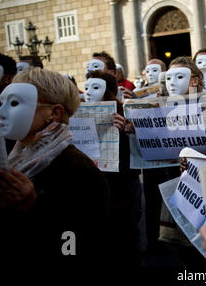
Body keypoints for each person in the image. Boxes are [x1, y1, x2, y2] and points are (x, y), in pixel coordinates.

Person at [0, 67, 109, 265]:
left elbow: (78, 246)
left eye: (14, 103)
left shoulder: (77, 170)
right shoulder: (14, 157)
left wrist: (34, 206)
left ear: (54, 113)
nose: (0, 113)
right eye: (0, 102)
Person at [85, 70, 143, 265]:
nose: (88, 93)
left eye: (95, 88)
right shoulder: (77, 116)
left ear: (109, 92)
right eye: (86, 88)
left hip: (120, 189)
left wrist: (125, 131)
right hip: (94, 187)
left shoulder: (123, 115)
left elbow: (133, 158)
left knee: (124, 238)